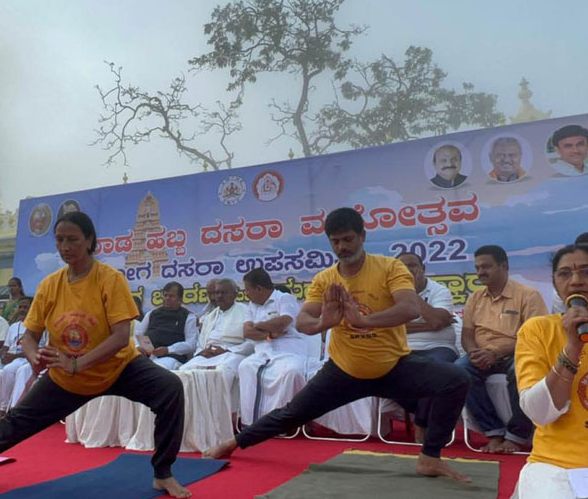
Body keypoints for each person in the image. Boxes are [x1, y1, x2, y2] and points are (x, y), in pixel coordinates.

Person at [0, 211, 191, 498]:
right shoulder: (50, 285)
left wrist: (77, 363)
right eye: (60, 240)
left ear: (90, 240)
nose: (65, 247)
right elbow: (30, 335)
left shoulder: (109, 279)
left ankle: (163, 473)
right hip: (66, 378)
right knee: (13, 424)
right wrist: (33, 356)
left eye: (73, 240)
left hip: (118, 368)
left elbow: (120, 336)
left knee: (170, 389)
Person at [205, 207, 471, 483]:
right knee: (291, 414)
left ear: (362, 236)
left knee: (455, 380)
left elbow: (409, 307)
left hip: (392, 366)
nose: (342, 247)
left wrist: (364, 321)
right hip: (344, 372)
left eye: (347, 239)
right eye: (335, 241)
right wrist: (323, 323)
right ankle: (234, 443)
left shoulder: (390, 268)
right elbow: (303, 321)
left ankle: (429, 458)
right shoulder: (325, 279)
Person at [514, 244, 588, 498]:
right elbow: (539, 413)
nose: (575, 281)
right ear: (555, 285)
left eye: (587, 272)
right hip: (557, 466)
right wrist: (572, 348)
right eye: (564, 274)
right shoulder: (538, 330)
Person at [457, 244, 547, 453]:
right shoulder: (475, 297)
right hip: (480, 355)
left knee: (521, 371)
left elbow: (534, 337)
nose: (480, 272)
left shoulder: (528, 295)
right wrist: (473, 353)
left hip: (517, 352)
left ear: (504, 266)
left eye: (486, 266)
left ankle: (517, 436)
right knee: (458, 371)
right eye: (477, 267)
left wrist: (495, 352)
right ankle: (493, 433)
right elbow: (467, 334)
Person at [235, 268, 312, 426]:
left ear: (259, 289)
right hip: (263, 352)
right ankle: (251, 423)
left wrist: (257, 325)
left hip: (288, 351)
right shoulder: (252, 305)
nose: (246, 293)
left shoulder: (285, 298)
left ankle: (286, 423)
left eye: (248, 289)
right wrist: (269, 334)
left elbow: (283, 322)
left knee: (292, 372)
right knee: (245, 366)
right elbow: (247, 332)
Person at [394, 253, 457, 443]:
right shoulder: (390, 293)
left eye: (412, 265)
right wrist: (430, 324)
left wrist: (412, 295)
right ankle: (425, 416)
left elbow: (438, 320)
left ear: (423, 269)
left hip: (438, 347)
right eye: (402, 267)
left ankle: (421, 424)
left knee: (436, 372)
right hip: (404, 349)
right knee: (383, 371)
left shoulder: (439, 291)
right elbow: (389, 326)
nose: (407, 270)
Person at [0, 296, 45, 420]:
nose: (22, 310)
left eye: (25, 307)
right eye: (20, 307)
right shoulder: (13, 326)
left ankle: (4, 408)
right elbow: (5, 346)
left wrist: (15, 356)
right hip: (10, 357)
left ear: (32, 308)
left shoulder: (39, 326)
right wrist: (3, 355)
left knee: (8, 370)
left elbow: (38, 349)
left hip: (25, 358)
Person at [181, 278, 253, 400]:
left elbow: (252, 342)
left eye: (223, 293)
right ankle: (193, 411)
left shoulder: (246, 312)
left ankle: (221, 412)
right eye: (216, 293)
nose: (218, 296)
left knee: (222, 372)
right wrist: (201, 351)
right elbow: (200, 342)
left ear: (235, 294)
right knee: (184, 371)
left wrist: (227, 350)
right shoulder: (210, 316)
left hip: (232, 354)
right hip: (207, 356)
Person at [134, 282, 198, 370]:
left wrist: (168, 349)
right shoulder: (152, 314)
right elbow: (138, 334)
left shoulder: (188, 317)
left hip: (171, 358)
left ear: (180, 299)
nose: (167, 298)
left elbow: (191, 344)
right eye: (165, 295)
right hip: (149, 356)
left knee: (157, 370)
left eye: (171, 296)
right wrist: (140, 347)